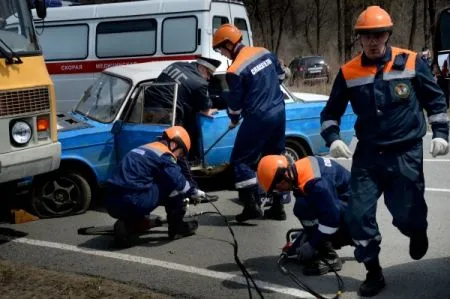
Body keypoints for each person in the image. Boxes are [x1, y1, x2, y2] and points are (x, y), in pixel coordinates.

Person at [319, 6, 449, 297]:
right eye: (366, 37)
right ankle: (373, 272)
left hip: (406, 152)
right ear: (359, 39)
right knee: (356, 215)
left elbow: (436, 102)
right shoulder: (348, 72)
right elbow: (330, 113)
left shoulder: (412, 63)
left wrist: (441, 134)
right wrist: (333, 138)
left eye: (379, 35)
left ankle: (416, 230)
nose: (373, 41)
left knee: (407, 214)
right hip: (368, 156)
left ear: (388, 34)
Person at [212, 23, 287, 222]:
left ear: (228, 44)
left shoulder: (235, 70)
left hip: (258, 117)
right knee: (274, 158)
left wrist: (234, 119)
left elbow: (235, 104)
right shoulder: (264, 52)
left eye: (220, 48)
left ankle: (251, 206)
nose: (222, 53)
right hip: (279, 112)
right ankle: (278, 207)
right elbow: (280, 76)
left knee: (241, 161)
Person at [104, 126, 206, 247]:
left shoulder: (144, 148)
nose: (179, 157)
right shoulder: (165, 155)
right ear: (174, 144)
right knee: (175, 187)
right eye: (181, 152)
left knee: (147, 183)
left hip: (111, 202)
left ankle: (129, 224)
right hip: (133, 202)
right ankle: (177, 228)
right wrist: (193, 192)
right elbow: (178, 181)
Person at [257, 154, 353, 276]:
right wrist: (305, 237)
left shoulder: (317, 185)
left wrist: (312, 245)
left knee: (305, 208)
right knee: (302, 206)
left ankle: (330, 256)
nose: (279, 192)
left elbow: (332, 220)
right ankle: (317, 237)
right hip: (339, 199)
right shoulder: (299, 171)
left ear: (282, 178)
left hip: (352, 210)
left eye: (277, 189)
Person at [144, 56, 221, 161]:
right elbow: (205, 109)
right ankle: (180, 168)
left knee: (154, 144)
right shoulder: (200, 83)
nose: (208, 78)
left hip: (146, 107)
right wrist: (211, 109)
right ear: (202, 68)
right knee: (179, 145)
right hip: (168, 114)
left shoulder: (176, 65)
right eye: (209, 74)